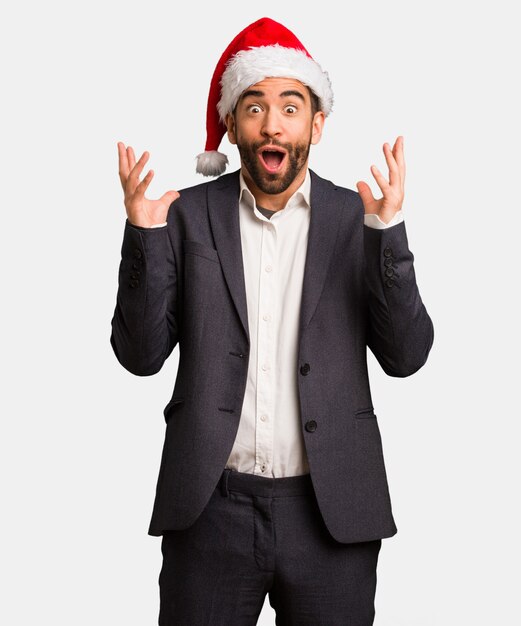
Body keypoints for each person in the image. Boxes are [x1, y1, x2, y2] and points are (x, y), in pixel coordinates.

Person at [111, 16, 434, 626]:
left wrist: (387, 234)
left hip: (330, 514)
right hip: (209, 508)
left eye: (291, 106)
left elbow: (407, 356)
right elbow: (139, 354)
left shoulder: (355, 216)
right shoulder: (184, 214)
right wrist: (145, 235)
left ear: (316, 124)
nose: (272, 122)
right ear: (232, 124)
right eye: (254, 107)